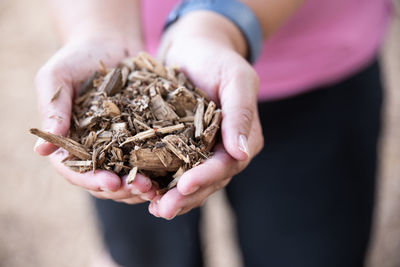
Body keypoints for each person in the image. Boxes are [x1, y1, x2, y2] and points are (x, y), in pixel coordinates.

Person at [33, 0, 392, 266]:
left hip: (318, 73)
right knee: (142, 256)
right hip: (127, 53)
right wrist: (96, 30)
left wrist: (218, 24)